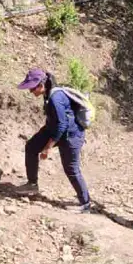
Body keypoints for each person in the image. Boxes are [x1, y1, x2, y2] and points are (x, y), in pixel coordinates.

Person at [15, 68, 91, 214]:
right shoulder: (48, 94)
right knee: (31, 147)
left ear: (41, 85)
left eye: (32, 88)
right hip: (54, 129)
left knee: (71, 169)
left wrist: (48, 147)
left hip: (71, 135)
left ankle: (85, 203)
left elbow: (62, 125)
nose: (31, 92)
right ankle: (32, 184)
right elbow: (57, 123)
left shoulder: (56, 98)